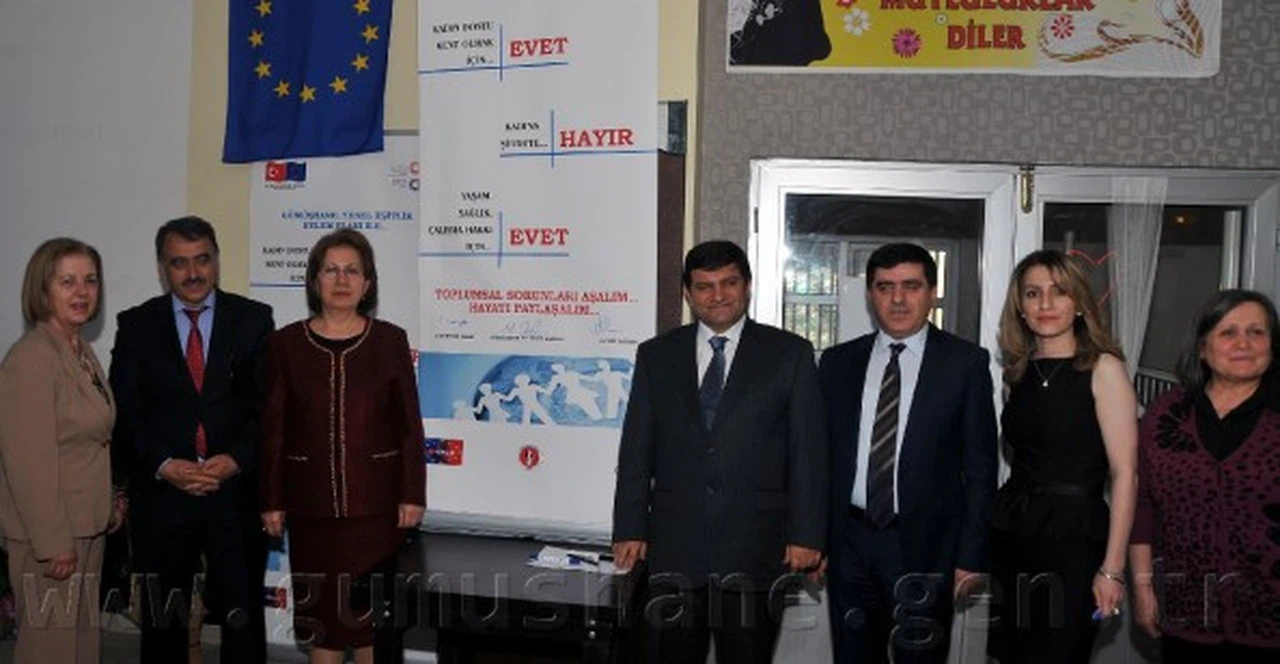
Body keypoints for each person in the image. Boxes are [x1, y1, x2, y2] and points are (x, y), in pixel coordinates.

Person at [611, 239, 827, 664]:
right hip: (674, 548)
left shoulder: (790, 353)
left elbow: (809, 453)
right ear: (688, 294)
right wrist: (630, 526)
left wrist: (806, 534)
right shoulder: (656, 355)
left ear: (748, 286)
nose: (718, 295)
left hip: (756, 550)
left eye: (729, 283)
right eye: (705, 286)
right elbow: (636, 446)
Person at [819, 242, 998, 664]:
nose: (897, 299)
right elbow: (818, 459)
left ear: (932, 292)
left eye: (911, 286)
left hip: (927, 548)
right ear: (870, 295)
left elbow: (981, 467)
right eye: (885, 287)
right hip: (850, 544)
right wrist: (813, 538)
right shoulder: (838, 363)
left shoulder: (965, 363)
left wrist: (972, 555)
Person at [109, 216, 274, 663]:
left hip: (234, 495)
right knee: (163, 624)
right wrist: (164, 465)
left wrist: (235, 459)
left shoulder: (254, 319)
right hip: (163, 497)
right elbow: (125, 412)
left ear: (217, 260)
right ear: (162, 268)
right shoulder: (136, 324)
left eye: (202, 259)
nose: (193, 272)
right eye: (179, 263)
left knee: (243, 622)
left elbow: (268, 408)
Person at [259, 229, 425, 664]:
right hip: (312, 513)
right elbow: (274, 429)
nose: (341, 279)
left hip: (378, 513)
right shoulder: (285, 344)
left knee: (372, 623)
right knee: (325, 626)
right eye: (331, 270)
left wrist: (413, 493)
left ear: (367, 284)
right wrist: (271, 500)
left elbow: (409, 426)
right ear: (314, 281)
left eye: (352, 270)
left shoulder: (390, 341)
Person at [987, 249, 1138, 663]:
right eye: (1033, 293)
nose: (1046, 303)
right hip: (1014, 533)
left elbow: (1126, 474)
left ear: (1079, 303)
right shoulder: (1017, 373)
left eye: (1059, 291)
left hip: (1075, 540)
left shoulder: (1104, 368)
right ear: (1020, 308)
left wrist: (1112, 569)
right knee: (1012, 656)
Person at [1129, 289, 1280, 663]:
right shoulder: (1166, 415)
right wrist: (1143, 587)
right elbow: (1142, 505)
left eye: (1257, 332)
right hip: (1188, 611)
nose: (1244, 343)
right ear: (1201, 347)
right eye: (1228, 332)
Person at [0, 238, 125, 663]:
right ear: (42, 289)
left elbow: (89, 440)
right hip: (51, 537)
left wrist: (109, 501)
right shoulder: (32, 358)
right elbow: (27, 462)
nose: (82, 292)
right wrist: (52, 542)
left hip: (84, 525)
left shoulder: (78, 350)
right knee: (49, 650)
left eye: (90, 280)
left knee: (80, 646)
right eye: (67, 281)